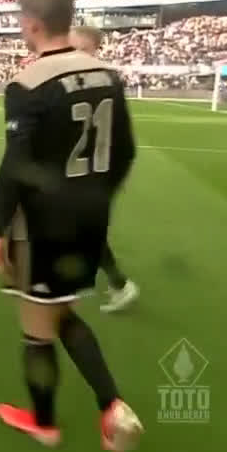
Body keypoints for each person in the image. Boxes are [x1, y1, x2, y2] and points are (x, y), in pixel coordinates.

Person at [0, 0, 144, 452]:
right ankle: (111, 406)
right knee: (61, 312)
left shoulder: (28, 84)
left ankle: (44, 423)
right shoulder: (107, 75)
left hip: (42, 227)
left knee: (36, 328)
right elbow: (126, 151)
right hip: (90, 221)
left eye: (22, 20)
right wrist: (98, 198)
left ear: (34, 24)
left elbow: (15, 165)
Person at [68, 25, 139, 313]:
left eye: (77, 48)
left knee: (86, 232)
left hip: (91, 173)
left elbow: (124, 139)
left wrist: (112, 179)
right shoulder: (106, 80)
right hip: (87, 171)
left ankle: (120, 284)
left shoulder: (91, 82)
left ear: (92, 48)